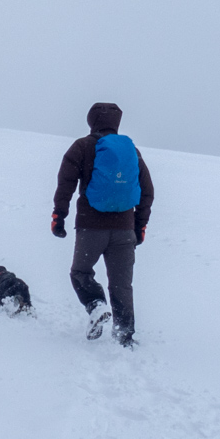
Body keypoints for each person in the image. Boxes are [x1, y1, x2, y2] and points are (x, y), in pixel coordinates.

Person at [51, 102, 153, 346]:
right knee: (121, 285)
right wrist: (139, 227)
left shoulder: (82, 146)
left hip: (91, 228)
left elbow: (66, 184)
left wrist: (59, 216)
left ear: (91, 121)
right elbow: (147, 192)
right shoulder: (132, 151)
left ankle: (96, 305)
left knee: (80, 272)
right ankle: (125, 337)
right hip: (125, 230)